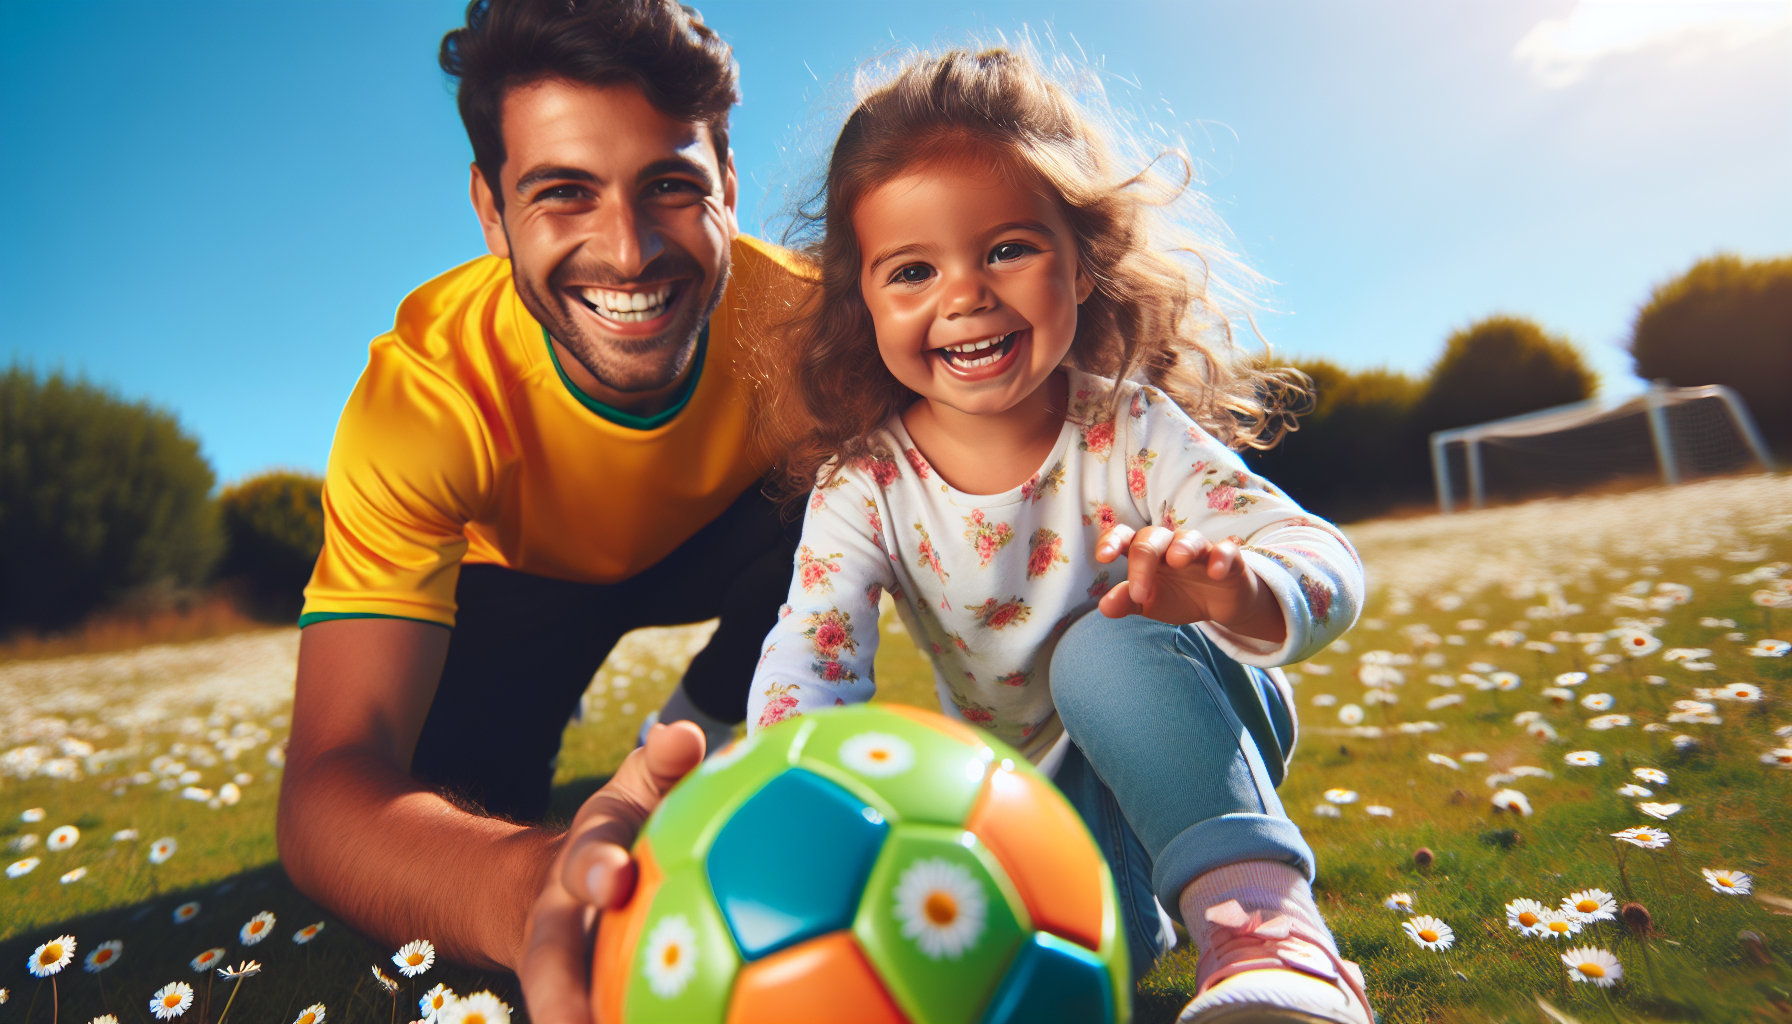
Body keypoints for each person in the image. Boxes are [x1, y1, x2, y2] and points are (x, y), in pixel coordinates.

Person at [746, 48, 1373, 1024]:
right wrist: (793, 796)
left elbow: (1321, 557)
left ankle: (1271, 936)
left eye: (1005, 249)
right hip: (1035, 813)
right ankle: (1150, 933)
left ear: (1081, 263)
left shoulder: (1127, 428)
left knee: (1104, 642)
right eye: (912, 270)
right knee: (1037, 990)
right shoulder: (863, 483)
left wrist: (1236, 590)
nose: (964, 294)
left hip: (1188, 727)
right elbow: (812, 651)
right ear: (861, 303)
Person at [276, 2, 802, 1021]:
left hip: (721, 542)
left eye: (671, 185)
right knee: (460, 803)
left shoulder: (810, 321)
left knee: (866, 465)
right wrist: (522, 884)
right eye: (563, 193)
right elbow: (331, 785)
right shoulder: (424, 397)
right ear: (490, 208)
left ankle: (690, 725)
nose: (630, 250)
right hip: (522, 586)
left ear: (727, 190)